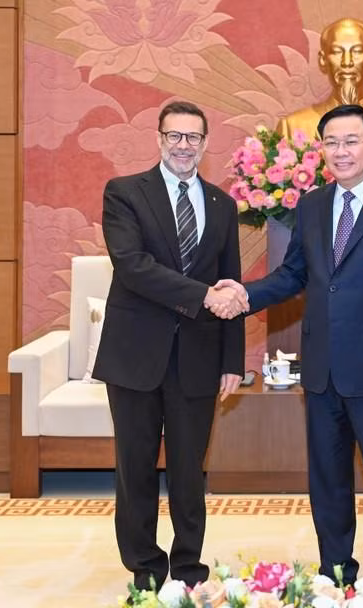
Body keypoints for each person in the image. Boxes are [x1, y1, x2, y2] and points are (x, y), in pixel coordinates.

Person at [216, 104, 363, 596]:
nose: (341, 151)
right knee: (328, 481)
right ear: (321, 150)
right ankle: (336, 572)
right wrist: (245, 296)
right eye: (331, 142)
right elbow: (295, 275)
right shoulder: (312, 206)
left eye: (351, 140)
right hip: (321, 371)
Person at [92, 100, 247, 595]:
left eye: (193, 137)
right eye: (175, 136)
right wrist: (202, 295)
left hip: (199, 358)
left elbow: (231, 283)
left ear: (205, 143)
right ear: (159, 138)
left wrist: (232, 360)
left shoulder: (223, 204)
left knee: (188, 470)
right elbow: (132, 266)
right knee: (135, 466)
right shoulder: (125, 193)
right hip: (135, 356)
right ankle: (144, 564)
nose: (184, 145)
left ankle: (187, 566)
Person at [277, 17, 363, 141]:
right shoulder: (291, 128)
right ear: (322, 61)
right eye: (337, 52)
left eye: (357, 52)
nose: (347, 62)